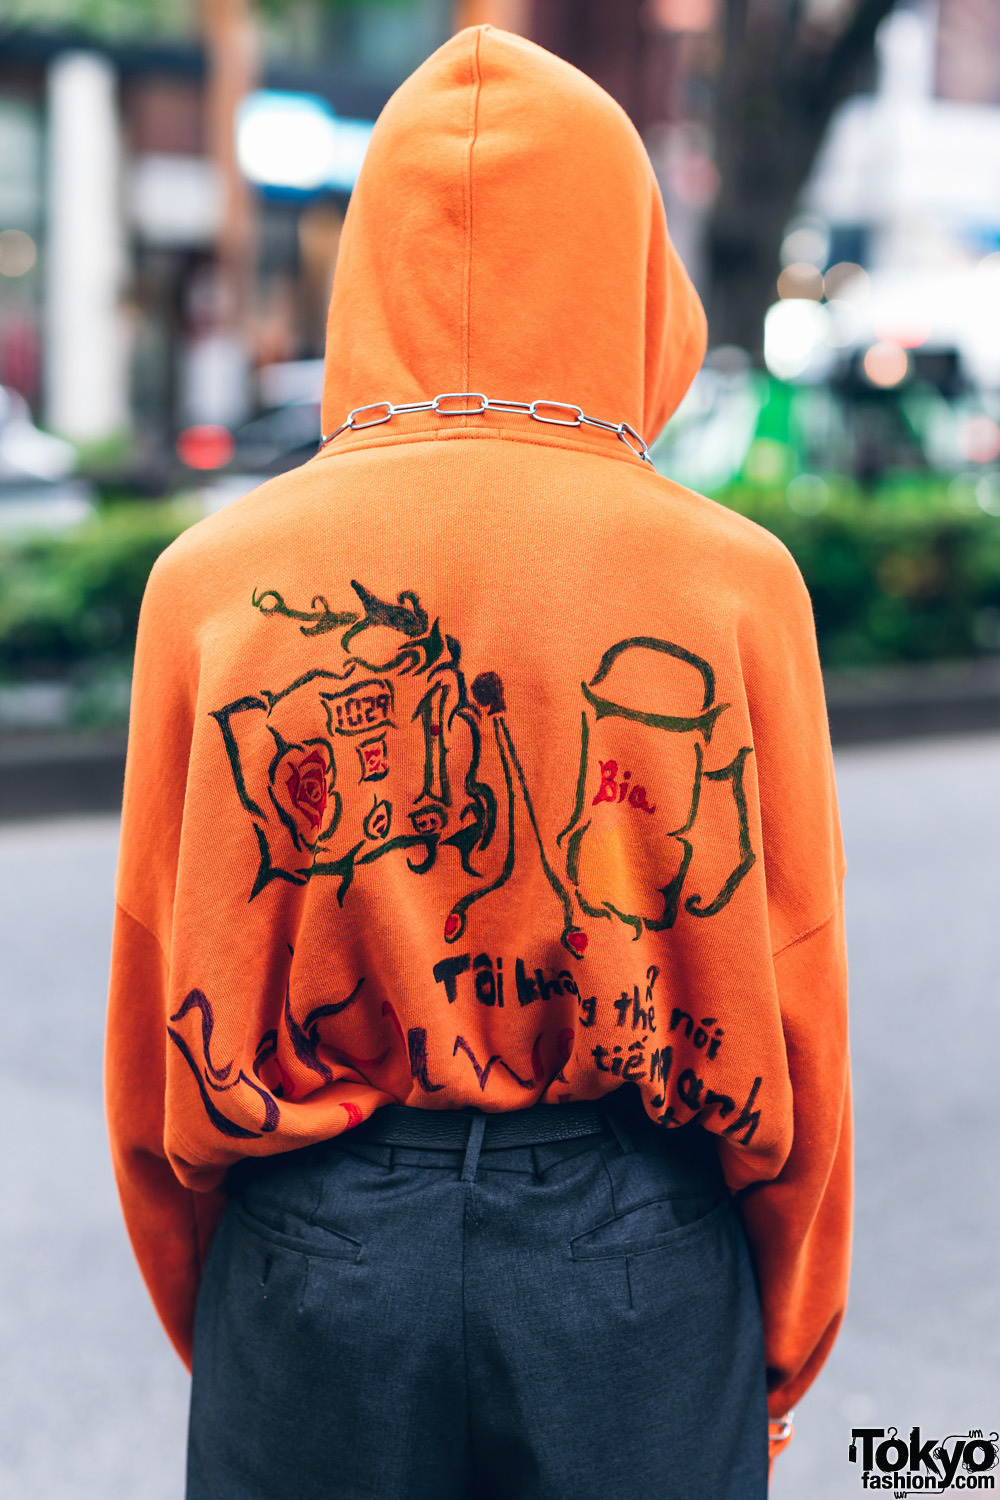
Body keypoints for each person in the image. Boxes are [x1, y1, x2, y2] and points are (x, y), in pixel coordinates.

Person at [106, 26, 850, 1500]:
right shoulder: (731, 583)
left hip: (312, 1245)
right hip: (631, 1254)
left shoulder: (208, 582)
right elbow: (788, 994)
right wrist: (776, 1340)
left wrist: (251, 1311)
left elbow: (159, 1005)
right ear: (630, 262)